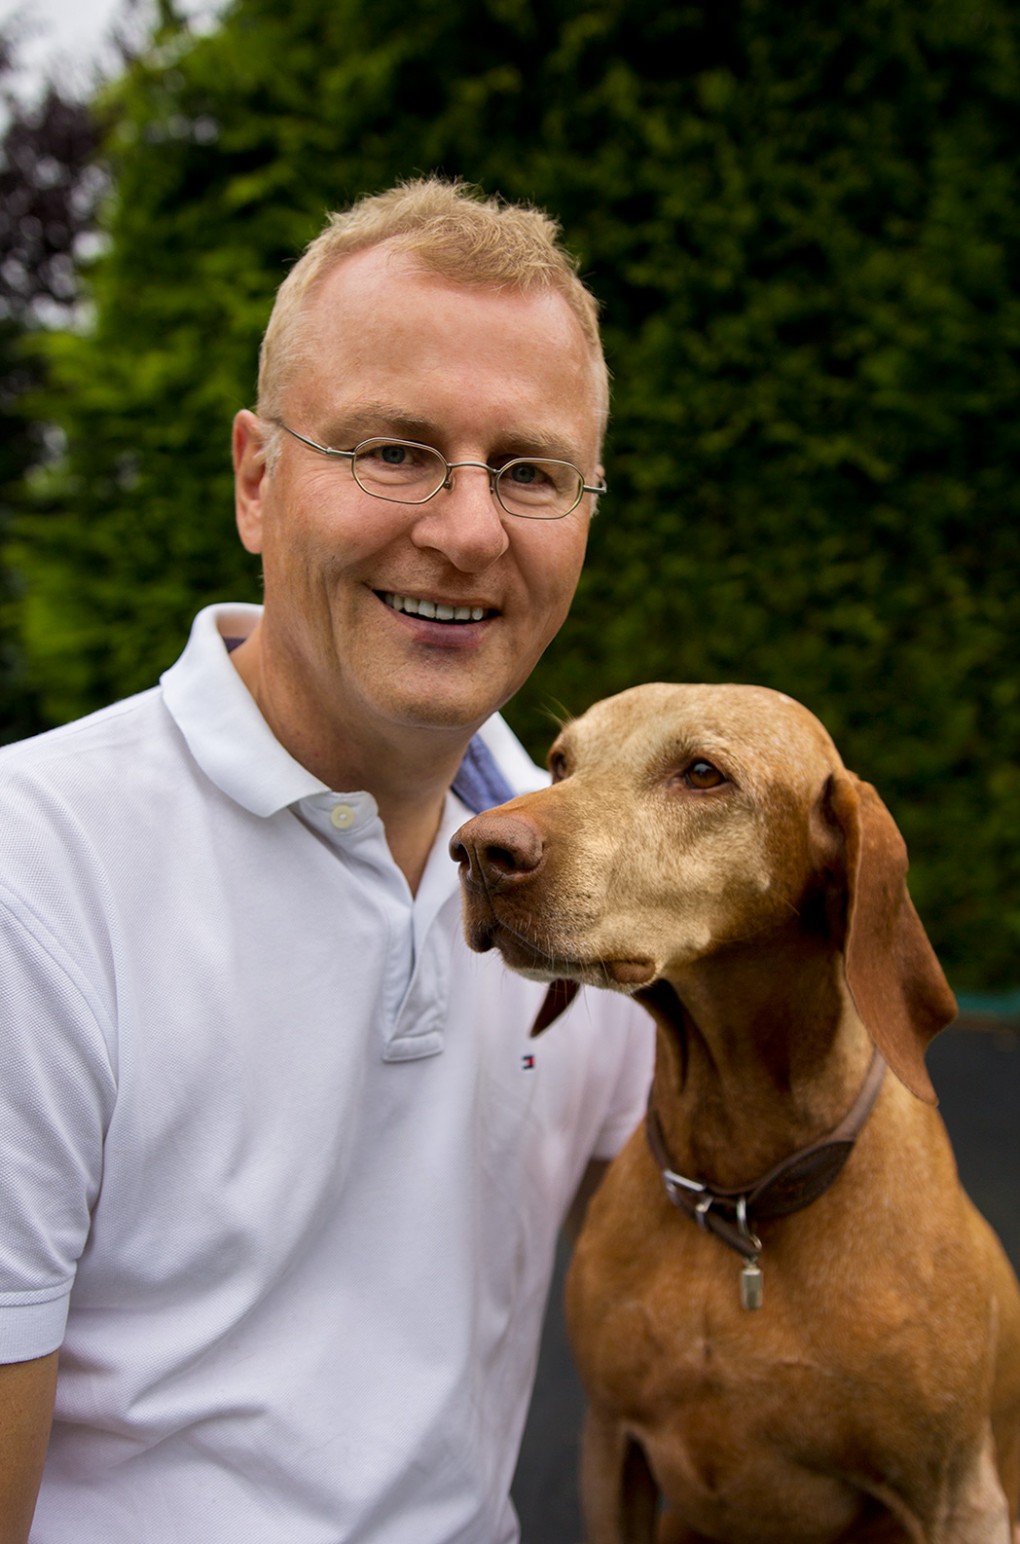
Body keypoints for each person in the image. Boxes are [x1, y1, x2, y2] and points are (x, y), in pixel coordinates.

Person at [0, 178, 654, 1544]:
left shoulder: (598, 870)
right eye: (395, 451)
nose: (469, 531)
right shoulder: (35, 873)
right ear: (256, 478)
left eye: (529, 470)